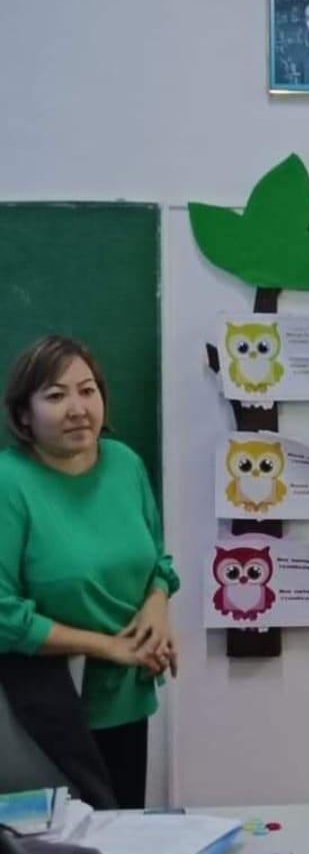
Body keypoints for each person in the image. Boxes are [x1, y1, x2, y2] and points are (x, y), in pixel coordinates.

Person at [0, 336, 179, 809]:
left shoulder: (124, 464)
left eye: (87, 390)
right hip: (42, 709)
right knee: (59, 845)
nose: (78, 409)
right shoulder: (8, 483)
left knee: (123, 836)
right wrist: (106, 646)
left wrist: (157, 606)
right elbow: (3, 615)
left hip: (126, 693)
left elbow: (158, 561)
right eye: (56, 396)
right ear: (24, 415)